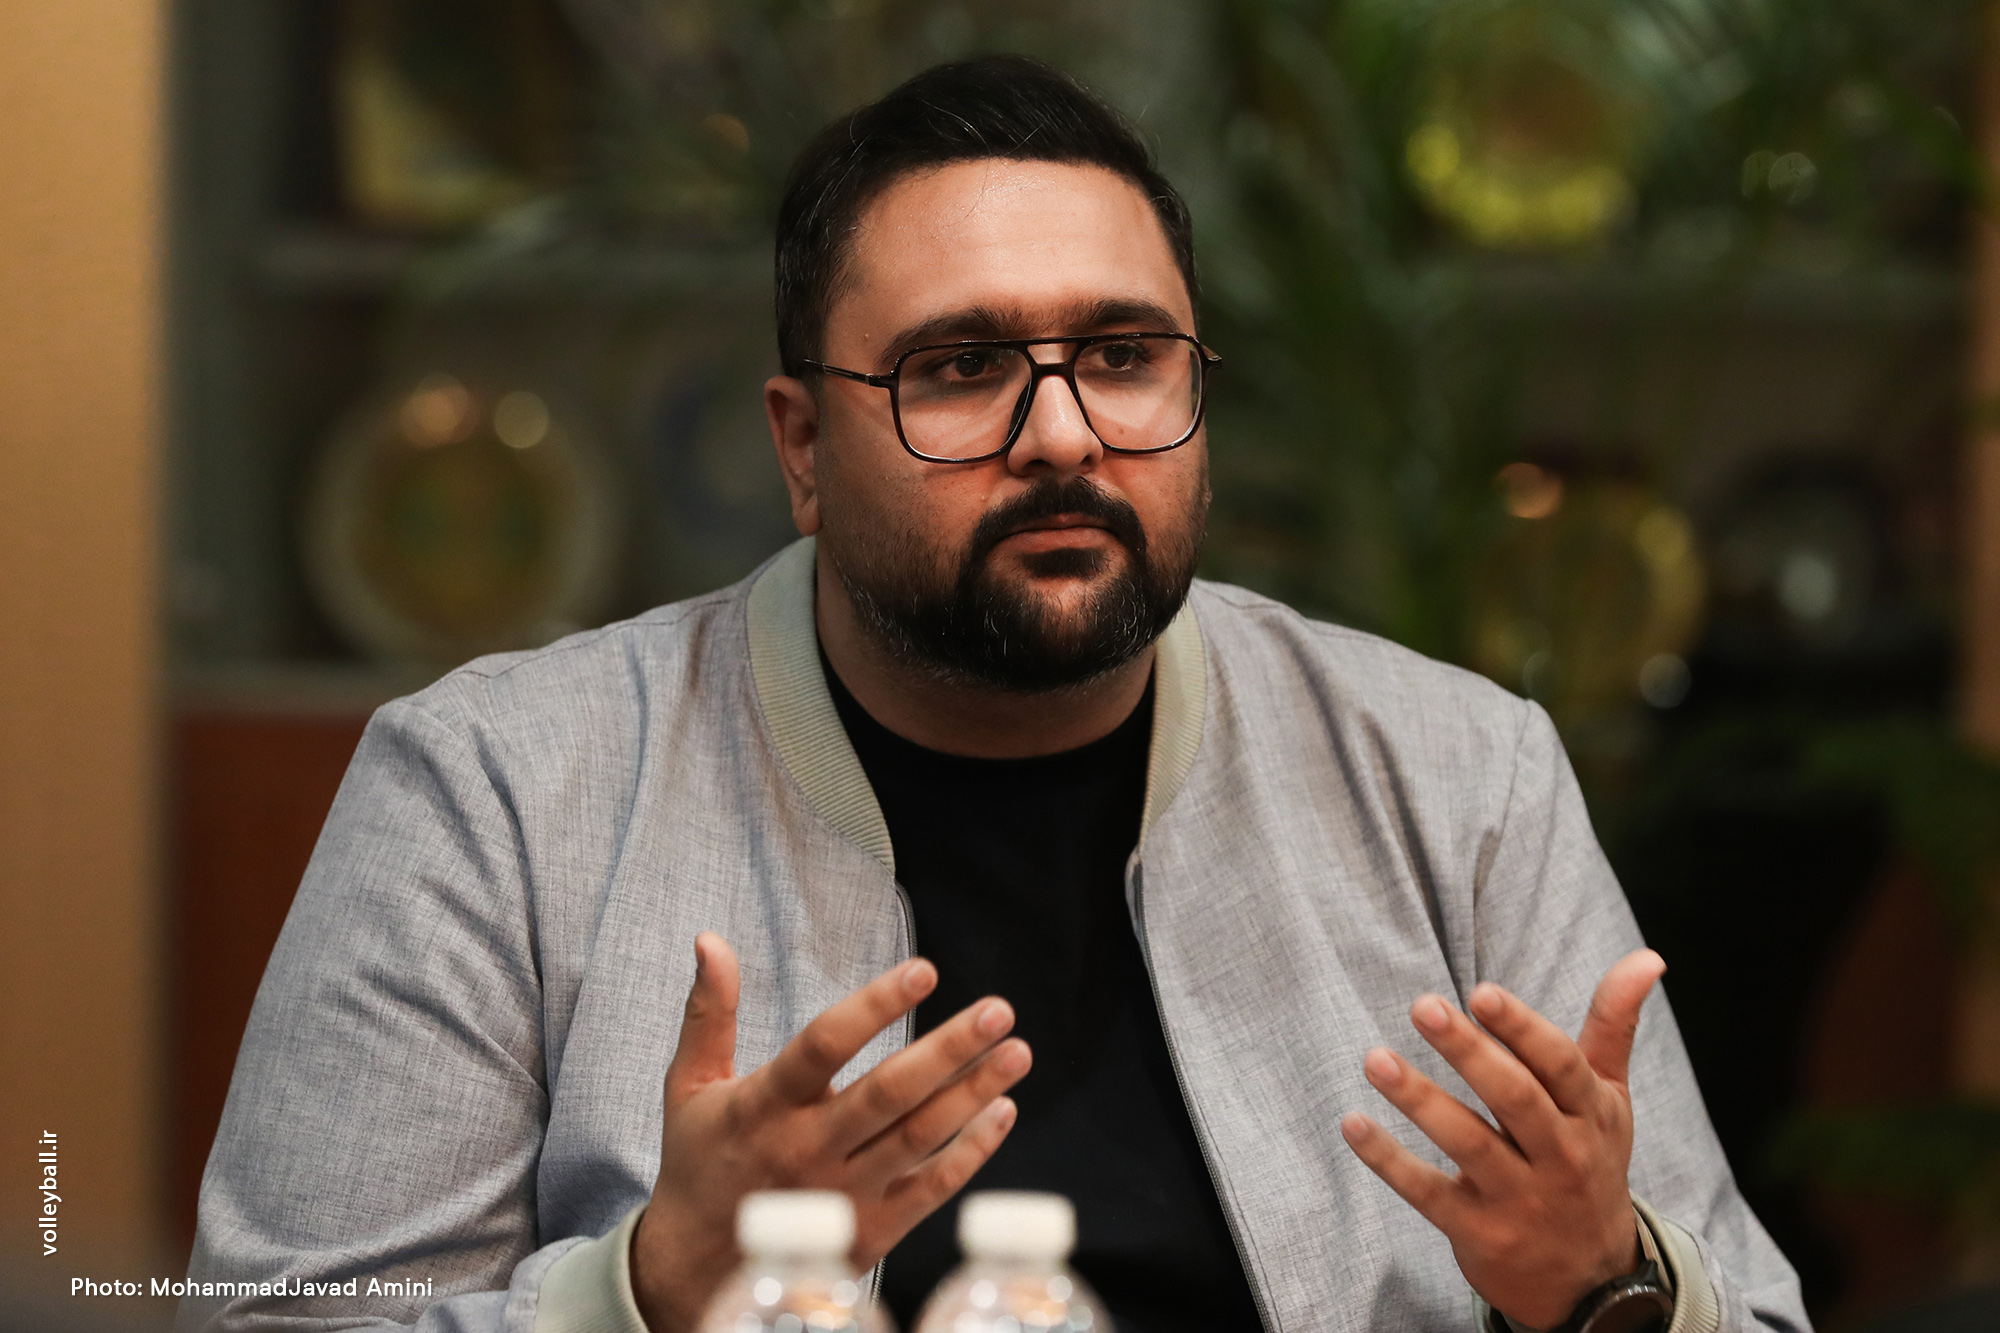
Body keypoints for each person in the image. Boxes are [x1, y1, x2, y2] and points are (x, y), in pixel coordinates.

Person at [181, 54, 1809, 1333]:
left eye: (1125, 356)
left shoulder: (1456, 772)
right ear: (802, 447)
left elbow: (1741, 1313)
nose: (1063, 434)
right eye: (958, 369)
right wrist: (649, 1294)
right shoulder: (495, 786)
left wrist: (1605, 1287)